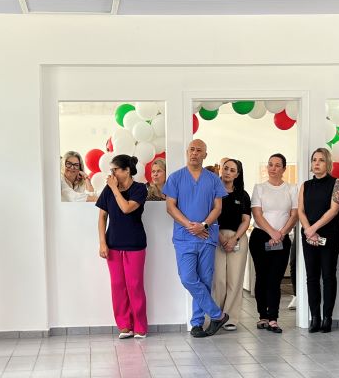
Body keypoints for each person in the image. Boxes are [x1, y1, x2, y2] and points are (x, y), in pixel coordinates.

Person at [164, 139, 230, 337]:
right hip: (184, 238)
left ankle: (197, 323)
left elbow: (218, 207)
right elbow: (170, 207)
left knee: (205, 280)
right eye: (191, 149)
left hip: (207, 236)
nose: (194, 153)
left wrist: (204, 225)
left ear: (205, 155)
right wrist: (190, 226)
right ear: (187, 152)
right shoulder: (175, 178)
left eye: (198, 150)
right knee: (188, 278)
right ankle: (217, 315)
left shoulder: (213, 180)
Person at [96, 154, 149, 339]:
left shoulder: (140, 189)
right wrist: (102, 243)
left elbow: (126, 208)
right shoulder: (108, 189)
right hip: (113, 245)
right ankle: (124, 326)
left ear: (126, 170)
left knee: (135, 285)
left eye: (114, 170)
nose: (111, 174)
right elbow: (102, 217)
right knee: (117, 286)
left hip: (135, 244)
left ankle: (140, 327)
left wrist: (114, 188)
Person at [249, 153, 300, 333]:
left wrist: (281, 234)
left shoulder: (292, 189)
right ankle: (263, 316)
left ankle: (273, 318)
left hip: (283, 238)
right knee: (262, 277)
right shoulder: (259, 188)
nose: (273, 168)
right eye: (270, 164)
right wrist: (272, 233)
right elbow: (257, 214)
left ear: (284, 169)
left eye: (277, 165)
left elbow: (294, 214)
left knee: (274, 279)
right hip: (260, 237)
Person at [298, 148, 339, 333]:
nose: (316, 163)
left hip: (329, 235)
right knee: (312, 277)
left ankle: (327, 318)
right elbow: (300, 210)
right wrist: (309, 231)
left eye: (321, 160)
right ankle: (314, 317)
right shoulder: (305, 185)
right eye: (314, 160)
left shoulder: (337, 183)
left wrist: (314, 229)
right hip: (308, 235)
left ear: (328, 163)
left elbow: (334, 210)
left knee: (328, 276)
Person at [212, 158, 251, 331]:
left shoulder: (242, 195)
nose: (227, 172)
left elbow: (246, 219)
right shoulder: (213, 191)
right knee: (219, 279)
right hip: (216, 236)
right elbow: (210, 216)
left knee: (235, 279)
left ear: (237, 174)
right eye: (225, 168)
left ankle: (230, 318)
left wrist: (234, 238)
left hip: (238, 237)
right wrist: (221, 238)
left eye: (232, 170)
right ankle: (217, 315)